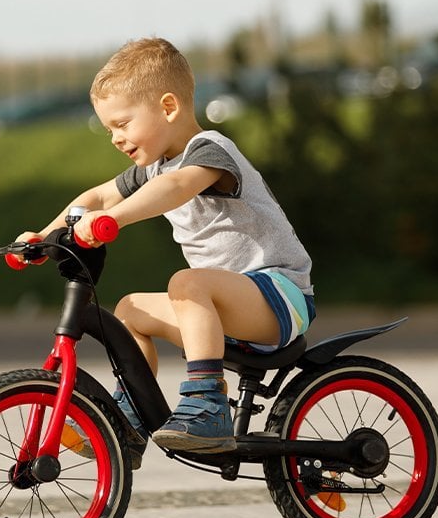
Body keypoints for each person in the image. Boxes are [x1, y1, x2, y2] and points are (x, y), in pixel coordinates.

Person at [17, 38, 315, 459]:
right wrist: (44, 236)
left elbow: (174, 188)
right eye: (109, 130)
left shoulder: (210, 152)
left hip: (279, 296)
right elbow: (100, 198)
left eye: (122, 124)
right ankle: (129, 421)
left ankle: (208, 405)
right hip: (229, 305)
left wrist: (114, 221)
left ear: (169, 108)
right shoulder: (156, 165)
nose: (115, 139)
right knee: (129, 312)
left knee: (186, 283)